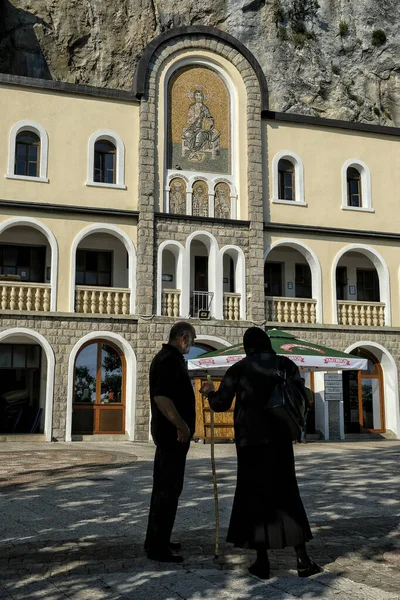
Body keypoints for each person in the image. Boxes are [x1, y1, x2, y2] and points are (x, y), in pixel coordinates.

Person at [200, 327, 322, 580]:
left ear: (248, 347)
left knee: (254, 497)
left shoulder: (240, 368)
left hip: (250, 442)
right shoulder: (286, 364)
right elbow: (302, 395)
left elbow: (220, 404)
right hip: (280, 440)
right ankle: (302, 559)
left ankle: (262, 562)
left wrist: (210, 392)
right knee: (288, 495)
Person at [144, 321, 197, 563]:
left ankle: (159, 540)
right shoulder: (168, 360)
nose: (191, 346)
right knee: (166, 492)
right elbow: (162, 398)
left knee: (168, 491)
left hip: (172, 438)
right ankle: (157, 547)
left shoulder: (170, 359)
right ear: (184, 338)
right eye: (192, 342)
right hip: (171, 437)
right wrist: (182, 425)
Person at [300, 377, 315, 444]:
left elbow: (311, 400)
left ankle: (302, 437)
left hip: (305, 409)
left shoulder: (307, 390)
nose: (302, 384)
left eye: (303, 382)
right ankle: (295, 438)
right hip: (297, 410)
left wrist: (307, 402)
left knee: (303, 423)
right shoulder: (295, 390)